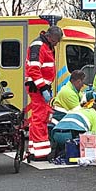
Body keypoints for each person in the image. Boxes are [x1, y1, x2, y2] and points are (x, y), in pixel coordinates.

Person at [24, 26, 62, 160]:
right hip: (37, 87)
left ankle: (35, 150)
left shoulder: (45, 45)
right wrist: (43, 88)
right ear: (50, 36)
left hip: (40, 87)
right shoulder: (39, 46)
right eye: (57, 40)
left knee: (40, 118)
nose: (57, 43)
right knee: (39, 119)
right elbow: (34, 69)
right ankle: (40, 153)